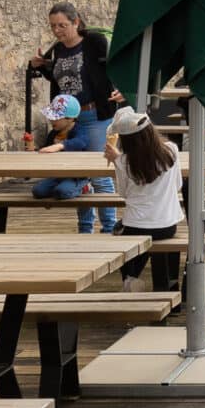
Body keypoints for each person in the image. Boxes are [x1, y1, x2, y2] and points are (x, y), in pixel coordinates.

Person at [104, 107, 182, 288]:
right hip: (168, 224)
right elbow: (178, 185)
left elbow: (123, 193)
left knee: (121, 232)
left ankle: (129, 279)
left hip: (136, 225)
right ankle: (152, 283)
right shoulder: (172, 150)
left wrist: (117, 160)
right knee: (145, 233)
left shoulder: (124, 161)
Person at [30, 93, 116, 232]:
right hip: (58, 174)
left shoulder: (79, 130)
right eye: (51, 116)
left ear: (70, 118)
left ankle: (84, 187)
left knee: (62, 192)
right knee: (38, 191)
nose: (52, 120)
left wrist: (61, 145)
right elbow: (46, 149)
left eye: (56, 117)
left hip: (76, 175)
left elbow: (81, 142)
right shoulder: (53, 133)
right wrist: (35, 150)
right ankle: (67, 190)